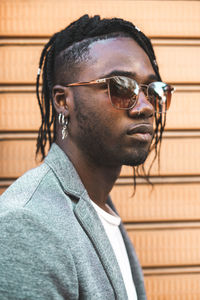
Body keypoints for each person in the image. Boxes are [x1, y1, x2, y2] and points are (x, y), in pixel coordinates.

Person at [0, 15, 174, 300]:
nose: (145, 107)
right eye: (121, 87)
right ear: (62, 101)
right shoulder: (28, 224)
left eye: (153, 91)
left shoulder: (98, 206)